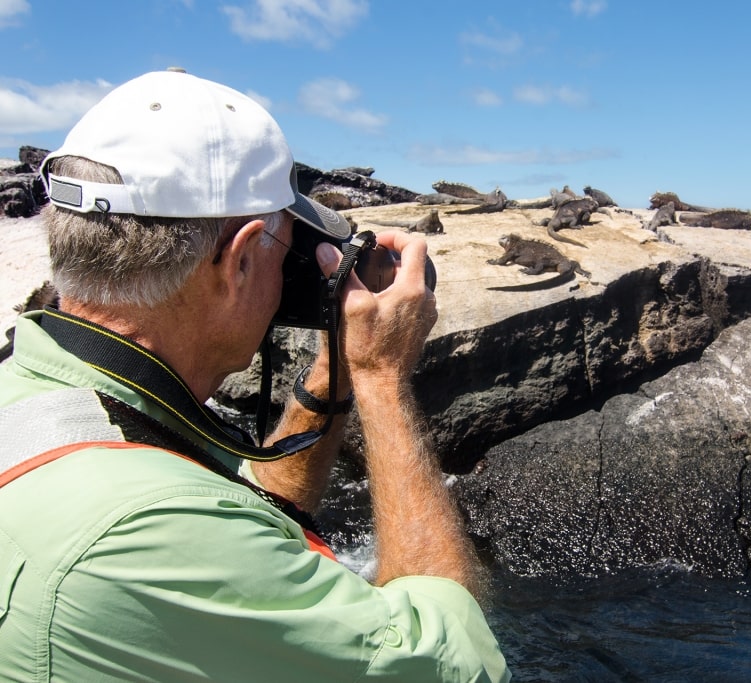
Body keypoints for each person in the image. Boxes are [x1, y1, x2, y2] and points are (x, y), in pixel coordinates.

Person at [0, 69, 509, 681]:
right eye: (287, 245)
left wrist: (338, 365)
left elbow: (239, 517)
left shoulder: (39, 403)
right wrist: (378, 375)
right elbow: (452, 664)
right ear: (239, 261)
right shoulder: (152, 535)